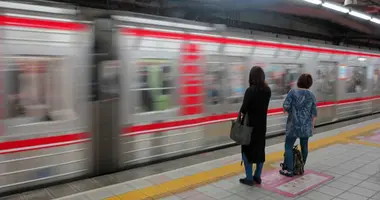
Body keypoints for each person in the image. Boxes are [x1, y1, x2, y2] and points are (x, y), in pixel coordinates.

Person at [280, 73, 317, 177]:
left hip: (293, 125)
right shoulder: (311, 95)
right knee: (304, 146)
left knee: (288, 146)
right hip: (306, 126)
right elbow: (314, 113)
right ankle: (301, 168)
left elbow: (286, 106)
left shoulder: (293, 92)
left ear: (299, 81)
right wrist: (312, 125)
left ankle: (290, 170)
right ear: (309, 84)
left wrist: (293, 111)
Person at [239, 66, 271, 186]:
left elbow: (244, 108)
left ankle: (249, 178)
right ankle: (257, 176)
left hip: (249, 127)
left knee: (247, 151)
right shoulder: (268, 90)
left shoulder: (250, 90)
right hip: (262, 126)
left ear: (251, 77)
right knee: (259, 150)